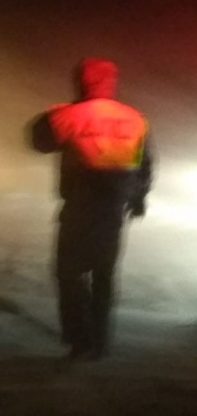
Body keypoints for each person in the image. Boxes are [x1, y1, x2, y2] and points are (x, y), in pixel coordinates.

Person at [28, 57, 153, 360]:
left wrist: (56, 112)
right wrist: (138, 198)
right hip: (114, 209)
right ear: (112, 82)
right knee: (104, 273)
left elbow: (39, 141)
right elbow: (145, 163)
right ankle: (100, 341)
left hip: (79, 206)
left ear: (81, 82)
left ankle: (80, 340)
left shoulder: (70, 115)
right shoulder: (134, 118)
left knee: (69, 272)